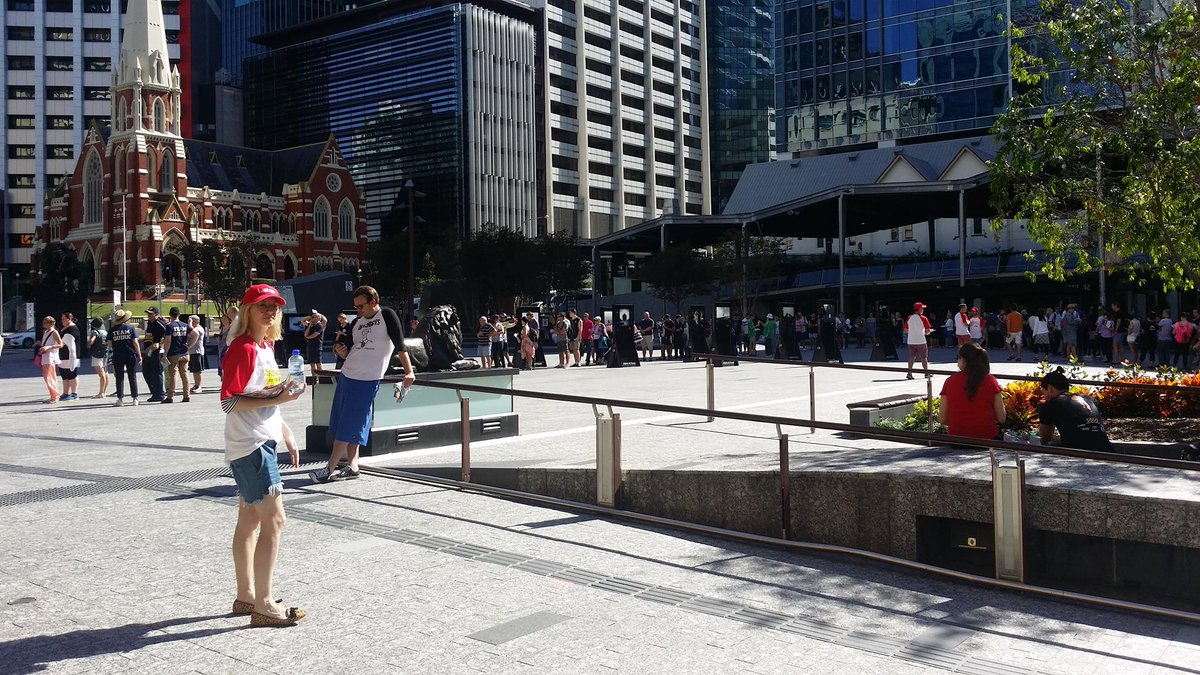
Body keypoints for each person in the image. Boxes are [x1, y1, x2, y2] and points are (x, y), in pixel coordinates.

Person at [220, 283, 308, 627]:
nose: (270, 311)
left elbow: (265, 395)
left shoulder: (266, 346)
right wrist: (279, 401)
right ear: (248, 311)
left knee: (250, 520)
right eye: (262, 306)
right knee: (275, 521)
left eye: (274, 306)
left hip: (261, 439)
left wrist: (284, 430)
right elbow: (229, 402)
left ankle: (246, 596)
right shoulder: (242, 348)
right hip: (250, 444)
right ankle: (264, 604)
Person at [311, 285, 415, 483]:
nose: (358, 311)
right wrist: (342, 352)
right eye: (355, 307)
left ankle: (329, 469)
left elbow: (400, 345)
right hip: (348, 375)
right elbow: (351, 349)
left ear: (374, 302)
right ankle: (353, 465)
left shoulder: (387, 315)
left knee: (348, 423)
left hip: (367, 379)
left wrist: (409, 371)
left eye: (361, 306)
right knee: (348, 422)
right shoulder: (356, 323)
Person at [939, 342, 1005, 440]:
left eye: (958, 358)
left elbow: (943, 419)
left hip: (957, 438)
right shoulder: (991, 380)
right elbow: (1001, 418)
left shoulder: (950, 381)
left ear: (963, 360)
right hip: (987, 437)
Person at [1037, 369, 1114, 452]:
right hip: (1108, 450)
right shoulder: (1087, 399)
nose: (1044, 396)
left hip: (1080, 453)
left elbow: (1045, 438)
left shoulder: (1051, 404)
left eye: (1044, 392)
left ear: (1050, 387)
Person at [108, 309, 142, 406]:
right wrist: (139, 355)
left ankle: (120, 399)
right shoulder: (130, 328)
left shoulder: (112, 329)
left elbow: (109, 344)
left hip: (118, 355)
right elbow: (135, 342)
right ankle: (135, 398)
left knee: (119, 377)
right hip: (130, 355)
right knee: (132, 376)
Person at [161, 307, 191, 403]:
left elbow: (168, 341)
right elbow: (195, 334)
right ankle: (186, 395)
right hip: (185, 353)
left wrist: (165, 353)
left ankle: (170, 396)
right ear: (179, 315)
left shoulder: (170, 326)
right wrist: (189, 345)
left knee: (173, 374)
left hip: (173, 354)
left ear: (170, 315)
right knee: (185, 374)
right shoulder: (185, 325)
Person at [142, 307, 168, 402]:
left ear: (156, 314)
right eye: (148, 314)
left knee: (156, 373)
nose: (149, 315)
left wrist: (161, 344)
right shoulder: (150, 323)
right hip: (148, 351)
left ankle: (160, 394)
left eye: (151, 314)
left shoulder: (159, 324)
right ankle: (154, 392)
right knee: (146, 372)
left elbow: (166, 336)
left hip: (157, 352)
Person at [37, 316, 63, 404]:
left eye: (45, 322)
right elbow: (46, 343)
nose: (43, 324)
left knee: (50, 377)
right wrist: (40, 344)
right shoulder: (46, 332)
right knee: (47, 377)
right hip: (45, 356)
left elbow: (61, 344)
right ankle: (53, 395)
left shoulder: (54, 332)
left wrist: (49, 347)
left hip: (50, 357)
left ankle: (55, 396)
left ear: (50, 323)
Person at [903, 302, 932, 379]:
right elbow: (928, 331)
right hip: (921, 340)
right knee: (924, 357)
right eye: (922, 308)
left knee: (911, 357)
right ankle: (926, 373)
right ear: (919, 309)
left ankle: (909, 373)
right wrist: (926, 332)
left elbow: (905, 330)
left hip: (911, 341)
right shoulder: (923, 318)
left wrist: (913, 331)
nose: (923, 310)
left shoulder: (909, 318)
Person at [58, 312, 81, 401]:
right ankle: (65, 393)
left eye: (63, 319)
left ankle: (74, 393)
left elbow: (66, 342)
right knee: (65, 375)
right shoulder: (64, 329)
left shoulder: (72, 329)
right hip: (63, 355)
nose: (62, 321)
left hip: (71, 355)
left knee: (72, 375)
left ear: (69, 319)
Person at [87, 318, 109, 399]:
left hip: (96, 354)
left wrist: (90, 342)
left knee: (101, 373)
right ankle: (104, 391)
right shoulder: (105, 332)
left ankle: (101, 393)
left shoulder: (94, 332)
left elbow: (92, 341)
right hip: (104, 353)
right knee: (105, 372)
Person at [187, 315, 206, 394]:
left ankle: (199, 386)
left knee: (198, 370)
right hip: (193, 352)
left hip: (197, 352)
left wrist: (190, 324)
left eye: (190, 320)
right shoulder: (195, 328)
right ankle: (196, 384)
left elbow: (193, 332)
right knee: (194, 370)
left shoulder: (199, 329)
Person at [303, 310, 326, 376]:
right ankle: (314, 378)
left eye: (313, 317)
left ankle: (322, 378)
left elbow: (314, 335)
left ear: (318, 318)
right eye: (311, 317)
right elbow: (303, 321)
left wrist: (308, 337)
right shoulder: (310, 325)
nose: (312, 318)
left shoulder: (320, 326)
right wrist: (309, 324)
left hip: (317, 347)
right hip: (310, 346)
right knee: (312, 364)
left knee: (318, 363)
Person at [217, 307, 238, 378]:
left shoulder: (238, 322)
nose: (228, 315)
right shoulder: (234, 322)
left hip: (232, 347)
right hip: (227, 347)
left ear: (233, 312)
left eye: (228, 313)